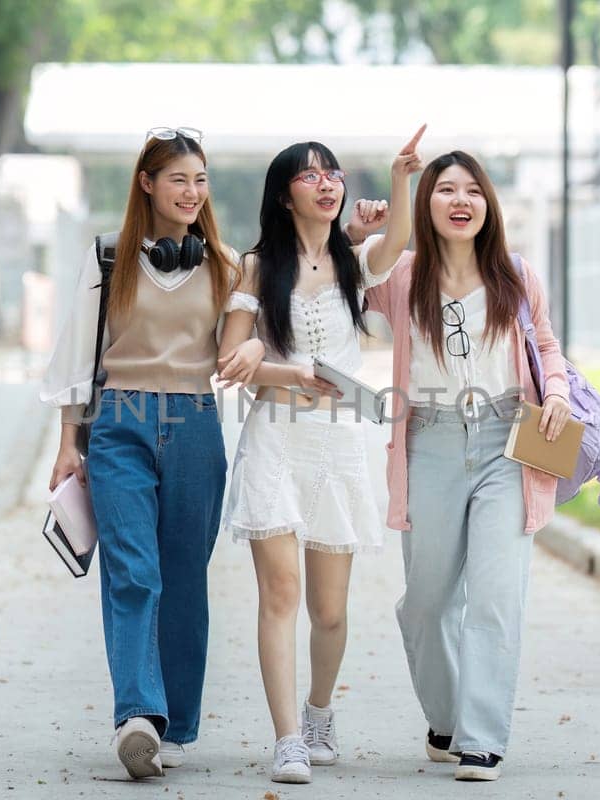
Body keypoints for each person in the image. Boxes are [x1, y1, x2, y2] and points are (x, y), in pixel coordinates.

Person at [41, 127, 261, 779]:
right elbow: (77, 354)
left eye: (200, 180)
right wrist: (64, 446)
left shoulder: (226, 262)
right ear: (147, 184)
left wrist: (253, 346)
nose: (192, 192)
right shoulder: (109, 258)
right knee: (134, 571)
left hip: (195, 423)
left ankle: (171, 721)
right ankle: (136, 715)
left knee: (185, 579)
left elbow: (253, 338)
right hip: (120, 424)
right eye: (177, 179)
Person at [215, 128, 424, 784]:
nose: (327, 182)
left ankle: (319, 712)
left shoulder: (355, 263)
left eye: (332, 173)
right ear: (284, 197)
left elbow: (399, 240)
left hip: (337, 446)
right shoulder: (255, 269)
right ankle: (287, 740)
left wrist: (401, 178)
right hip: (274, 439)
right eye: (310, 175)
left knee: (330, 611)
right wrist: (289, 371)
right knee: (280, 593)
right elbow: (232, 361)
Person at [362, 150, 572, 783]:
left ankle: (482, 739)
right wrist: (372, 221)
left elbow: (546, 344)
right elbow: (343, 285)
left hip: (510, 442)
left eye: (472, 190)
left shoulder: (516, 273)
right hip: (429, 439)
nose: (461, 201)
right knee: (426, 602)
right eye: (445, 189)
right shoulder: (401, 276)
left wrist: (556, 393)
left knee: (495, 595)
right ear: (426, 204)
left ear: (488, 203)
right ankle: (447, 718)